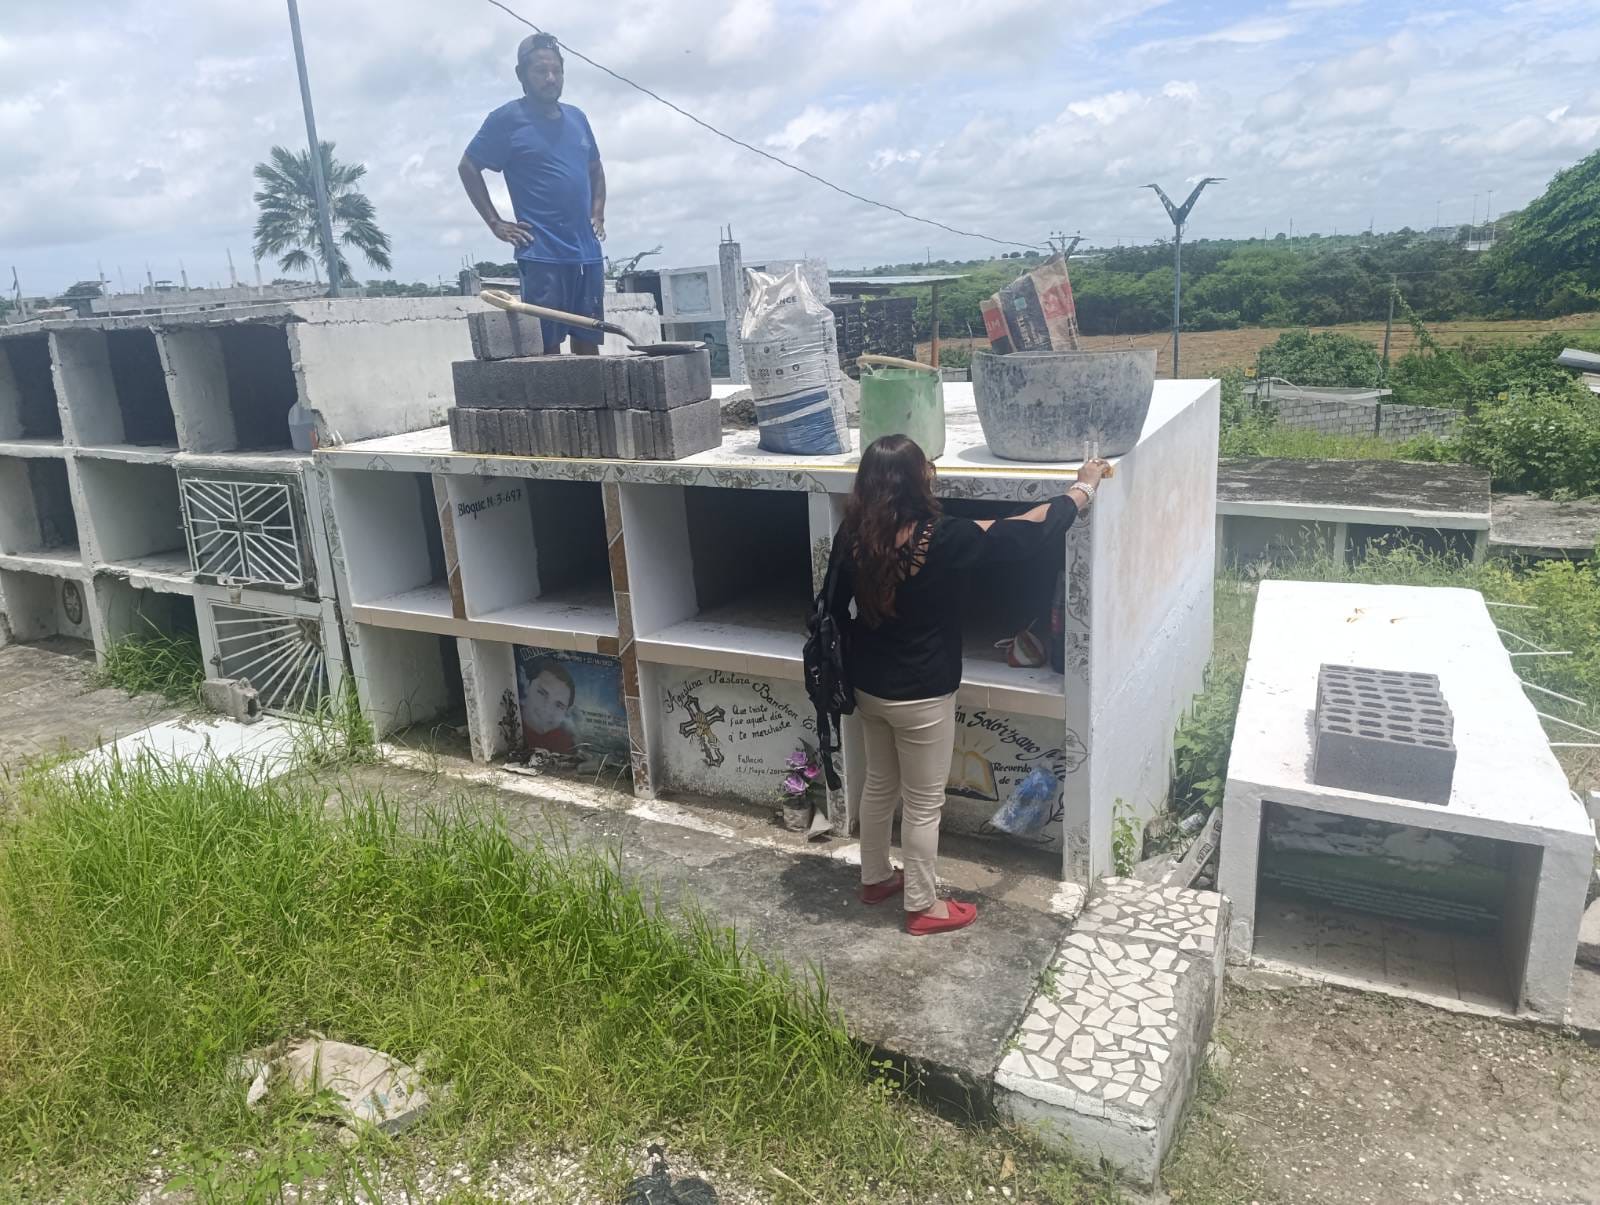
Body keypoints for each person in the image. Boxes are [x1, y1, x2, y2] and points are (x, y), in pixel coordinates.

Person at [828, 435, 1110, 936]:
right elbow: (1024, 533)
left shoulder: (853, 535)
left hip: (868, 684)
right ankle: (923, 906)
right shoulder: (943, 537)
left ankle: (875, 878)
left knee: (879, 784)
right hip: (921, 691)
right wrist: (1082, 490)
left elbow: (832, 606)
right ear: (917, 479)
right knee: (923, 804)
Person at [459, 32, 606, 356]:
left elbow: (595, 168)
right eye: (541, 71)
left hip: (587, 254)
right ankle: (557, 394)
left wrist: (598, 212)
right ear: (521, 75)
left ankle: (593, 393)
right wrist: (496, 223)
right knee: (546, 348)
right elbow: (468, 166)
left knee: (589, 340)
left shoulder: (578, 118)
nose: (550, 78)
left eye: (557, 70)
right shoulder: (507, 120)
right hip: (542, 254)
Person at [520, 656, 578, 755]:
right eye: (542, 693)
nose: (547, 709)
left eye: (559, 705)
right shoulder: (509, 721)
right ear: (527, 687)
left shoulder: (565, 743)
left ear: (566, 712)